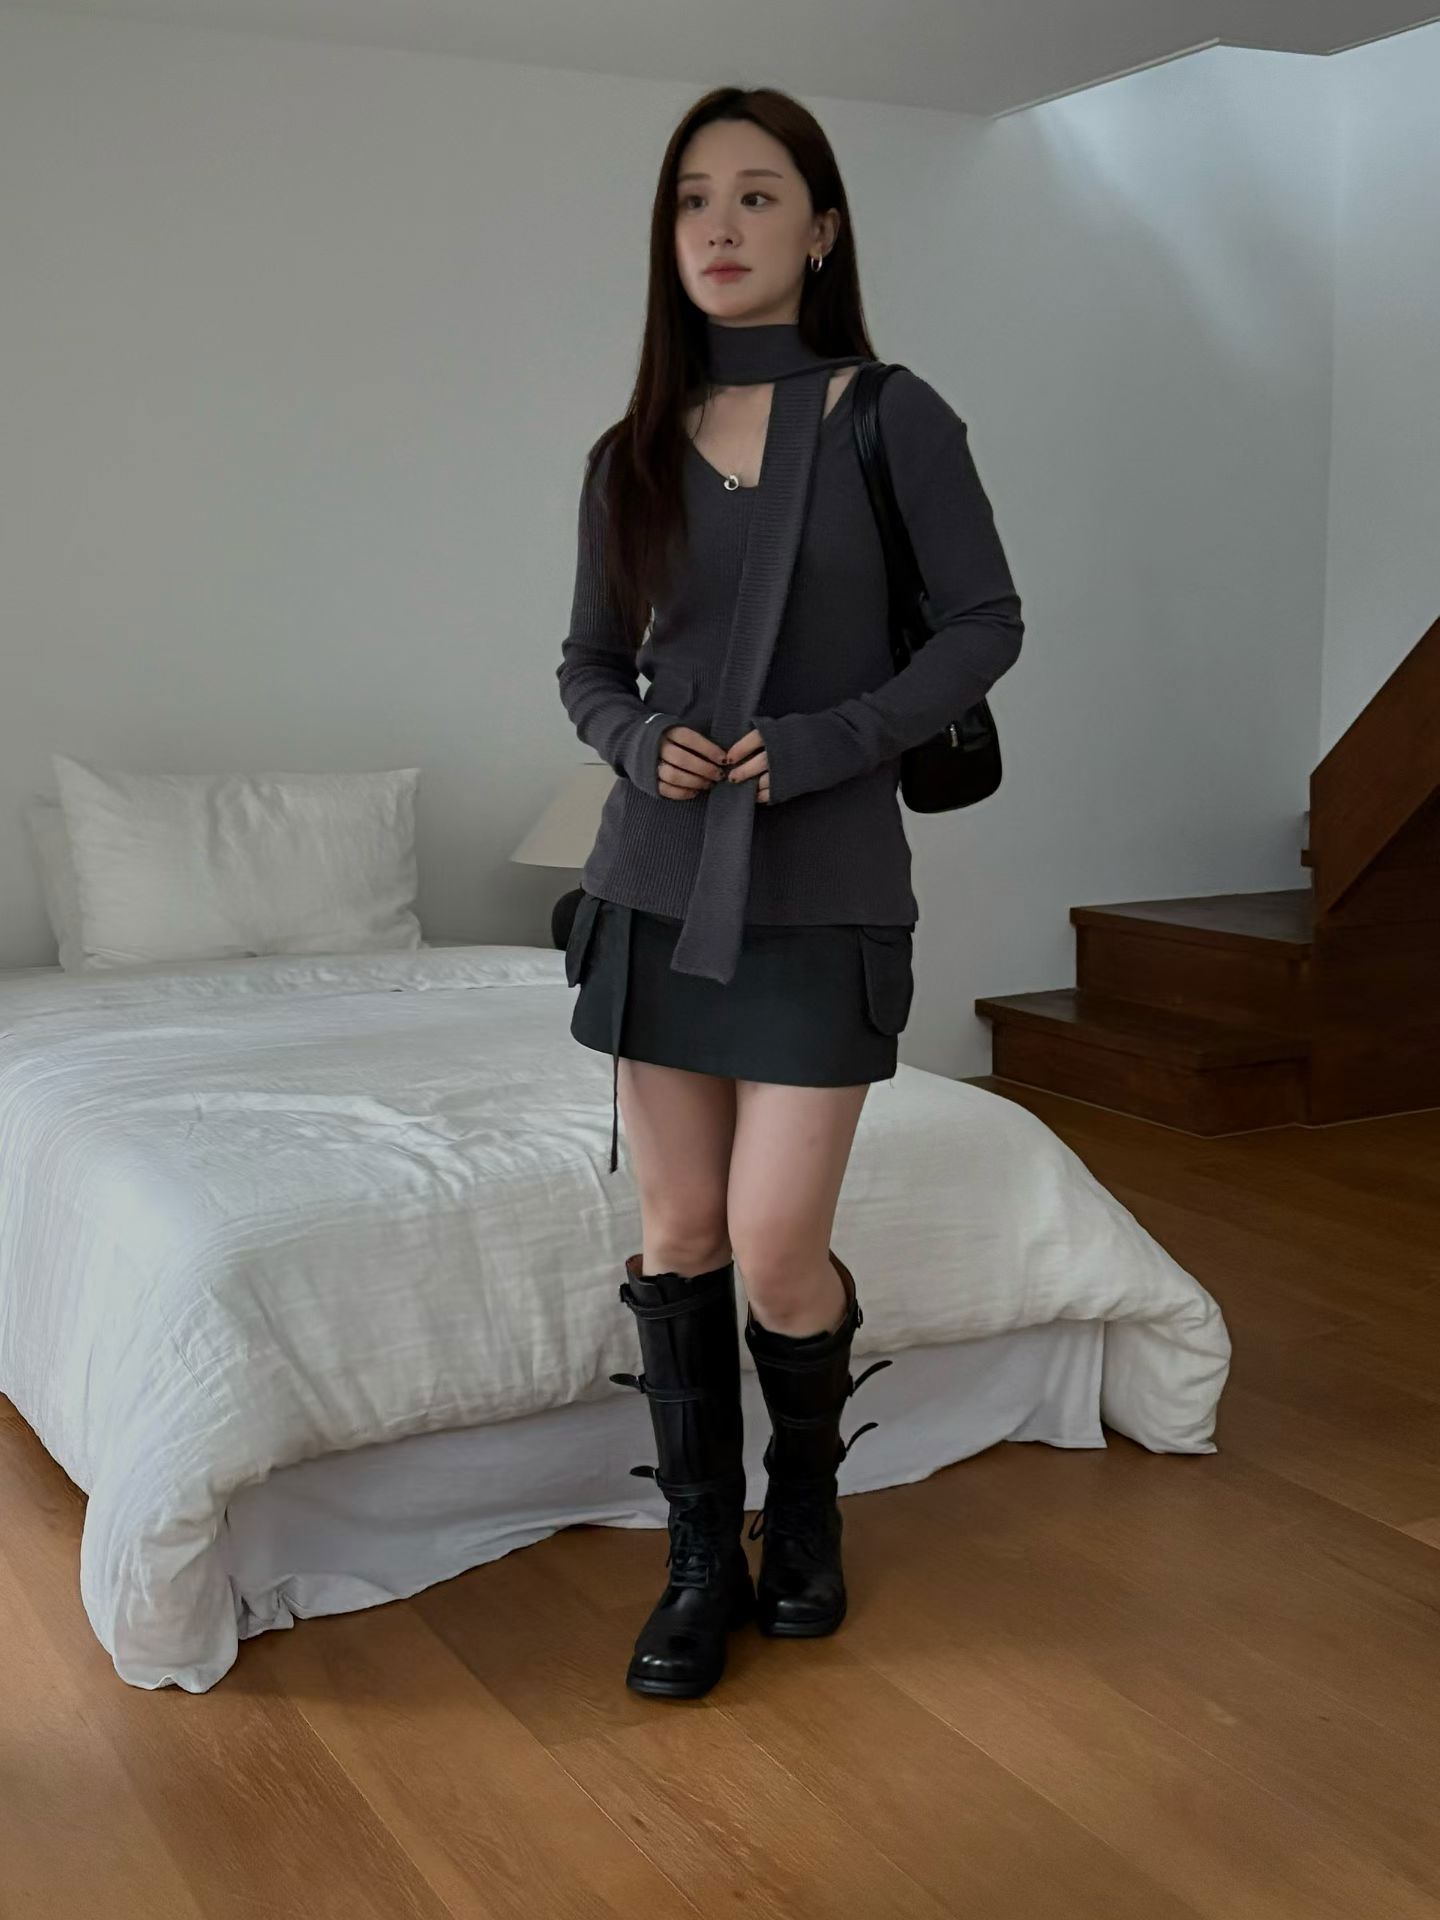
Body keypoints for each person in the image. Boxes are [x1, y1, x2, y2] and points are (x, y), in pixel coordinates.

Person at [555, 85, 1024, 1700]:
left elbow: (984, 623)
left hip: (824, 885)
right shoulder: (629, 454)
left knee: (770, 1244)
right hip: (653, 882)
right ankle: (703, 1555)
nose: (721, 226)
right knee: (678, 1230)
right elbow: (587, 665)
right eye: (694, 199)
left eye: (759, 196)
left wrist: (829, 739)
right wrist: (637, 740)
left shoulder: (892, 416)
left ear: (821, 230)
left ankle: (804, 1507)